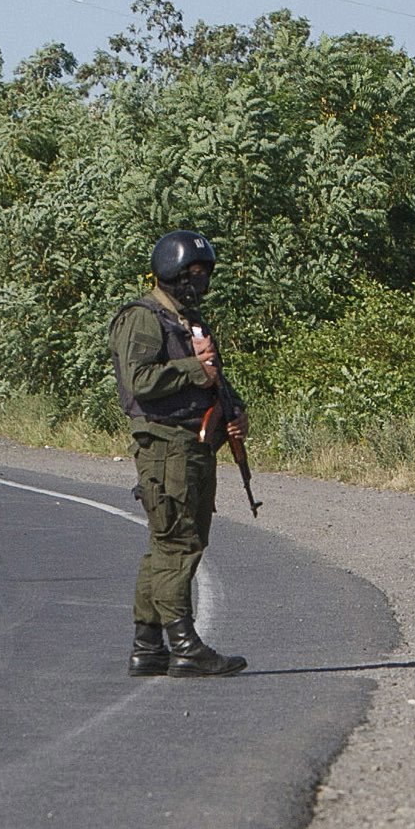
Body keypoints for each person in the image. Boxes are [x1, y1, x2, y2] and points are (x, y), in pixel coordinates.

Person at [109, 229, 247, 677]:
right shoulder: (144, 318)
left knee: (166, 544)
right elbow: (140, 381)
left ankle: (148, 645)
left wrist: (234, 410)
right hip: (166, 446)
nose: (198, 280)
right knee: (179, 543)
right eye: (191, 271)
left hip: (192, 443)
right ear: (169, 270)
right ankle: (184, 645)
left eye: (204, 272)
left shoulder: (189, 320)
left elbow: (211, 378)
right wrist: (194, 367)